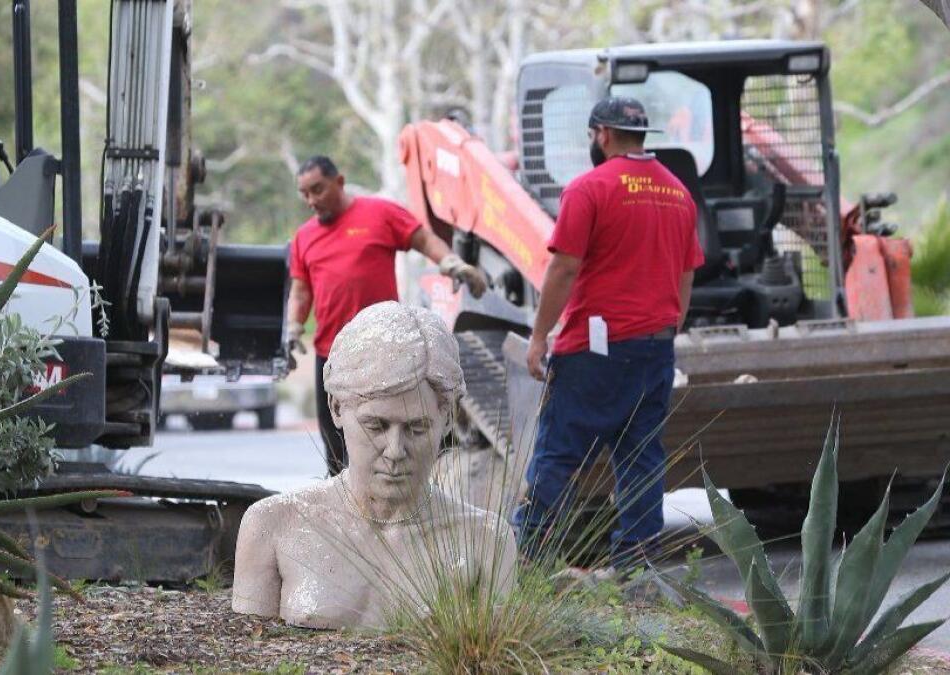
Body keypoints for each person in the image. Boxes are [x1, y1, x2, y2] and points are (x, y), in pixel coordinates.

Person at [231, 302, 517, 629]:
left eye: (417, 428)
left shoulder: (486, 540)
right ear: (336, 408)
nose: (395, 451)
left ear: (448, 418)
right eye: (377, 426)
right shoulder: (273, 525)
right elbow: (245, 653)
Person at [516, 96, 702, 569]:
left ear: (602, 133)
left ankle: (528, 560)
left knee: (558, 454)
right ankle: (636, 569)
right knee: (640, 458)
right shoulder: (678, 193)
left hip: (592, 352)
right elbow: (686, 275)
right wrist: (664, 327)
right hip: (654, 350)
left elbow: (563, 269)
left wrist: (540, 337)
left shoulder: (589, 188)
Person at [286, 155, 488, 476]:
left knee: (387, 436)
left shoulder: (379, 213)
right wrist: (293, 327)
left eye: (318, 190)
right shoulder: (304, 237)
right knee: (336, 447)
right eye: (304, 193)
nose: (311, 200)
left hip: (384, 350)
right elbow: (300, 290)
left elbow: (423, 239)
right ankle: (345, 516)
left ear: (339, 181)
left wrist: (451, 263)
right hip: (332, 356)